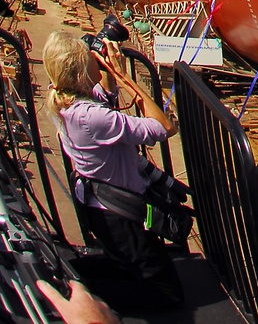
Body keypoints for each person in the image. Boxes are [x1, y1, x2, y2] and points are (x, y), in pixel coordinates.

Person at [42, 31, 183, 308]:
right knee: (168, 296)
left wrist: (106, 71)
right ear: (82, 71)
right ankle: (80, 297)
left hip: (101, 207)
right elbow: (165, 128)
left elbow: (104, 96)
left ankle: (79, 279)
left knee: (130, 266)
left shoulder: (65, 99)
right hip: (120, 216)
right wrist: (123, 76)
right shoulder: (92, 118)